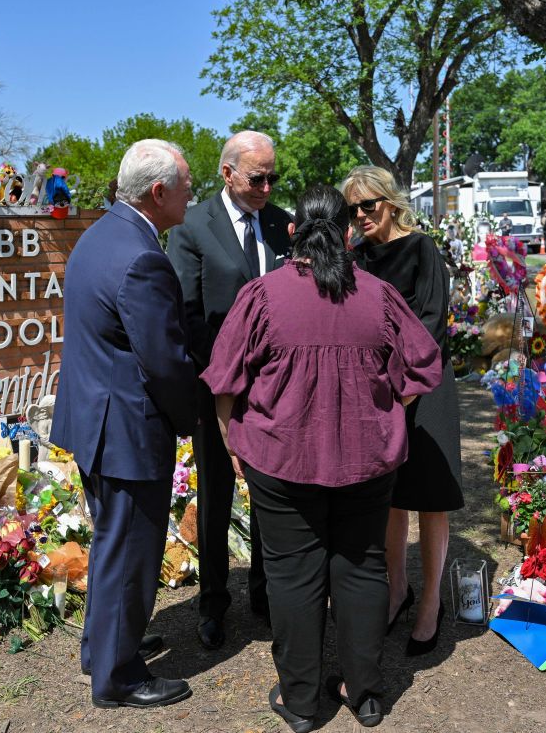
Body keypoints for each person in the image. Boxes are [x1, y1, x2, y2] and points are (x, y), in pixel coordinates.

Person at [202, 185, 442, 731]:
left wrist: (230, 440)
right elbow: (423, 365)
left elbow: (224, 380)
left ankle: (303, 701)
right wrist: (391, 406)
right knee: (361, 567)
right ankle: (367, 695)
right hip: (367, 458)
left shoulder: (262, 295)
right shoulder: (378, 295)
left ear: (293, 233)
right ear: (349, 232)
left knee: (292, 573)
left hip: (279, 457)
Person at [49, 139, 198, 709]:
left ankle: (104, 645)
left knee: (113, 542)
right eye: (187, 186)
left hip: (94, 419)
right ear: (159, 192)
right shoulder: (143, 258)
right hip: (126, 430)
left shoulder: (101, 233)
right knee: (131, 548)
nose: (192, 196)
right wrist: (195, 419)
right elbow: (164, 361)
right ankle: (118, 676)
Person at [166, 130, 293, 650]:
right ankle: (214, 600)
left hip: (278, 387)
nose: (265, 186)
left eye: (272, 177)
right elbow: (186, 311)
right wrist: (225, 375)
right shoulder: (194, 226)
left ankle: (264, 593)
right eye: (256, 177)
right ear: (227, 173)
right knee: (216, 495)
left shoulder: (284, 223)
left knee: (272, 491)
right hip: (215, 385)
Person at [341, 165, 465, 658]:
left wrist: (406, 391)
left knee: (430, 498)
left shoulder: (421, 250)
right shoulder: (356, 257)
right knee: (390, 496)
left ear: (391, 202)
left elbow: (432, 325)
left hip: (424, 386)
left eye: (368, 205)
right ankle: (396, 590)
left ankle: (430, 602)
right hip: (376, 391)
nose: (360, 216)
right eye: (353, 209)